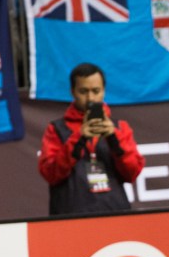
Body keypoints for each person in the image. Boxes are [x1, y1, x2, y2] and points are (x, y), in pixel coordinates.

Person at [38, 62, 145, 216]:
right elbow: (50, 174)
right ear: (72, 92)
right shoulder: (56, 129)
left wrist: (114, 138)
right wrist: (79, 138)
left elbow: (132, 173)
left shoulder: (119, 127)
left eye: (96, 91)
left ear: (104, 91)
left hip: (115, 213)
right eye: (83, 91)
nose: (90, 98)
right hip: (70, 216)